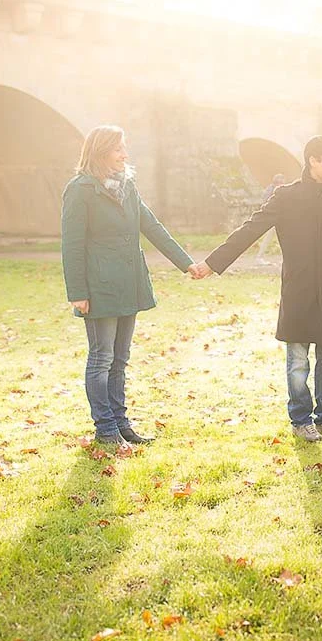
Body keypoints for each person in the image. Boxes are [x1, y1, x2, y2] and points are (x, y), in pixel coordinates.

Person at [188, 136, 322, 442]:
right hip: (298, 292)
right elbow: (250, 230)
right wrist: (212, 263)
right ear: (313, 160)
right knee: (298, 361)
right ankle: (300, 420)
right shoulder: (286, 197)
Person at [61, 125, 195, 447]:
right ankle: (105, 430)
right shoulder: (80, 189)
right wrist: (77, 292)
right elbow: (72, 243)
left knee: (120, 359)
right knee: (101, 358)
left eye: (125, 148)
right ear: (101, 151)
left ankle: (122, 424)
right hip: (99, 287)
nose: (125, 154)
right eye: (119, 148)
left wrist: (186, 263)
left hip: (129, 283)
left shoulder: (128, 185)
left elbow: (151, 225)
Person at [256, 173, 286, 258]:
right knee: (268, 238)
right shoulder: (271, 190)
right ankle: (259, 256)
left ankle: (283, 258)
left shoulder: (278, 190)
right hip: (273, 218)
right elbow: (266, 202)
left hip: (280, 218)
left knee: (282, 239)